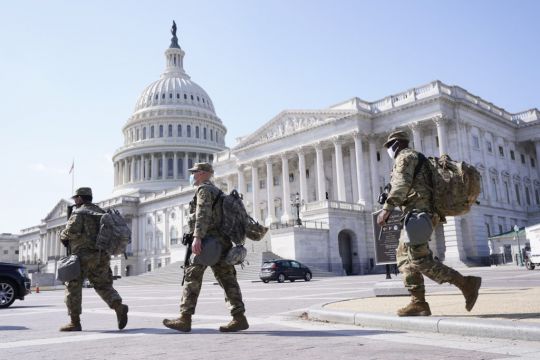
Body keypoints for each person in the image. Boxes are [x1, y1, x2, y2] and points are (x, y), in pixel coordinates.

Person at [376, 131, 482, 316]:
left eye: (389, 147)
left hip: (420, 214)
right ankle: (419, 303)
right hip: (415, 214)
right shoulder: (415, 158)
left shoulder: (405, 157)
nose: (388, 151)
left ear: (396, 145)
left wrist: (387, 208)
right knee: (404, 258)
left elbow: (402, 184)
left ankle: (466, 283)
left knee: (419, 259)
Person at [163, 162, 249, 332]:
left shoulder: (204, 190)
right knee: (228, 279)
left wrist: (197, 237)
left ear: (202, 173)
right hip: (222, 242)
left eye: (194, 172)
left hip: (207, 242)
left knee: (192, 277)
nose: (192, 175)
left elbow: (203, 213)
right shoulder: (218, 192)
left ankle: (185, 318)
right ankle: (239, 317)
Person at [59, 187, 128, 331]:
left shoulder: (79, 212)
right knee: (103, 285)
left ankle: (75, 322)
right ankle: (118, 307)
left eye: (75, 198)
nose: (75, 201)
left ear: (79, 198)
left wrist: (62, 234)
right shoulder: (101, 212)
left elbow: (71, 232)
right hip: (101, 256)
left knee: (73, 287)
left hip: (81, 257)